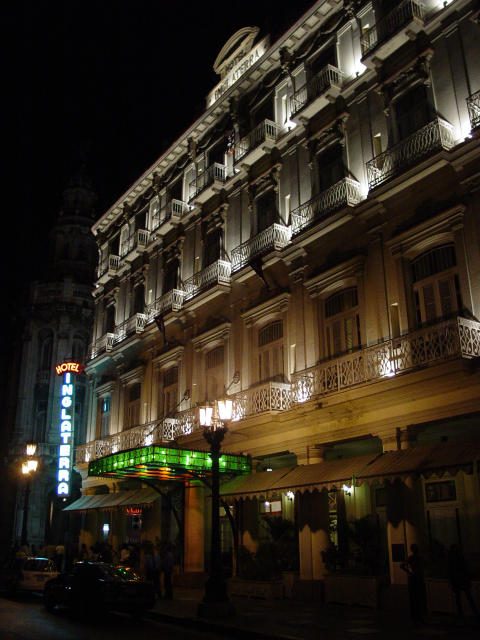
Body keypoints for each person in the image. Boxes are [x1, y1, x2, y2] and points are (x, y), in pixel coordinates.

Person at [448, 544, 479, 617]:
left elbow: (451, 571)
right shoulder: (460, 558)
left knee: (458, 599)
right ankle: (475, 612)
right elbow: (465, 569)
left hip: (457, 581)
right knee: (468, 597)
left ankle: (461, 614)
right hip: (462, 580)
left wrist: (452, 581)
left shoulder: (452, 560)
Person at [401, 544, 427, 625]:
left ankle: (416, 617)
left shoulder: (412, 558)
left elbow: (402, 565)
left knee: (414, 599)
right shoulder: (419, 558)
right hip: (418, 579)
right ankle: (419, 616)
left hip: (414, 579)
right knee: (419, 598)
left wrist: (409, 572)